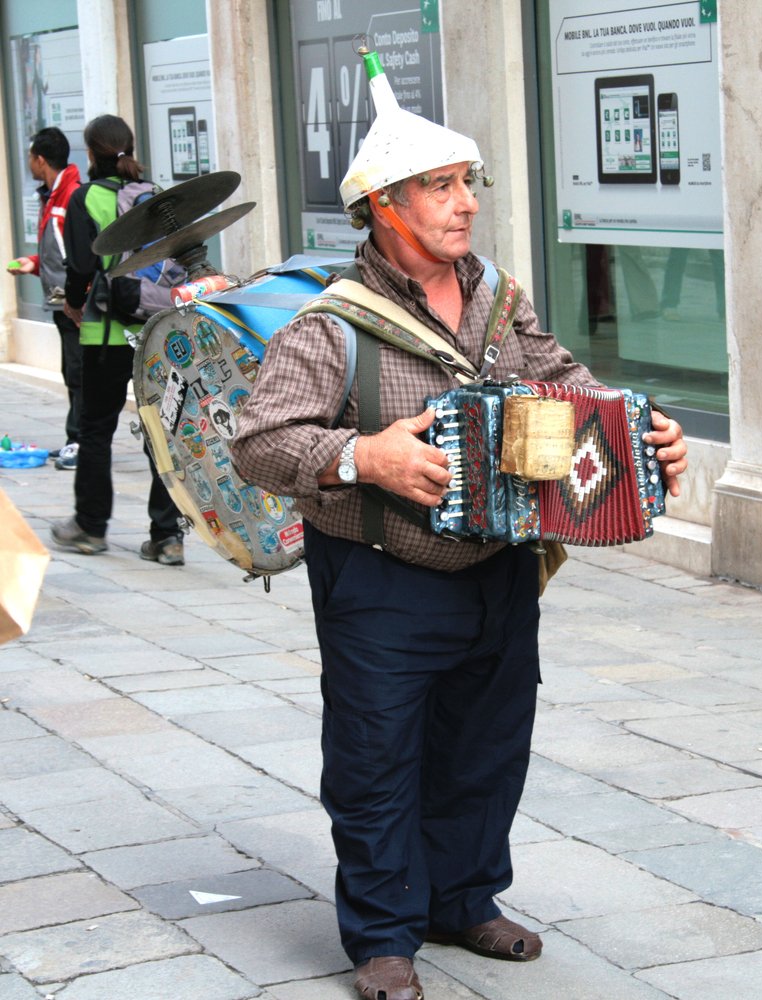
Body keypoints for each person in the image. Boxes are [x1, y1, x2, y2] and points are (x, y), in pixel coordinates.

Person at [232, 50, 687, 1000]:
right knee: (377, 754)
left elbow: (564, 380)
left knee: (487, 743)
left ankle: (465, 897)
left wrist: (637, 429)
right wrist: (367, 457)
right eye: (436, 186)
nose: (464, 202)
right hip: (380, 573)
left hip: (499, 564)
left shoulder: (496, 298)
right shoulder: (333, 324)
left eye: (466, 183)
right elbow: (261, 440)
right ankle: (384, 937)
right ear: (384, 208)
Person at [51, 114, 184, 565]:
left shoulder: (85, 198)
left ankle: (90, 527)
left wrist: (71, 304)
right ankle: (167, 537)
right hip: (156, 328)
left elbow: (82, 271)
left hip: (106, 333)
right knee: (161, 433)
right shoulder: (154, 197)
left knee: (96, 430)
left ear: (90, 152)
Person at [7, 127, 82, 469]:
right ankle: (74, 438)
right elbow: (57, 254)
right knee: (71, 371)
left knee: (79, 373)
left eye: (30, 158)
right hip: (60, 301)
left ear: (40, 160)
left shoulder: (69, 197)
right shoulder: (51, 195)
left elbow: (78, 257)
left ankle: (80, 442)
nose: (29, 164)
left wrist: (76, 299)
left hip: (74, 304)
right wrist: (34, 264)